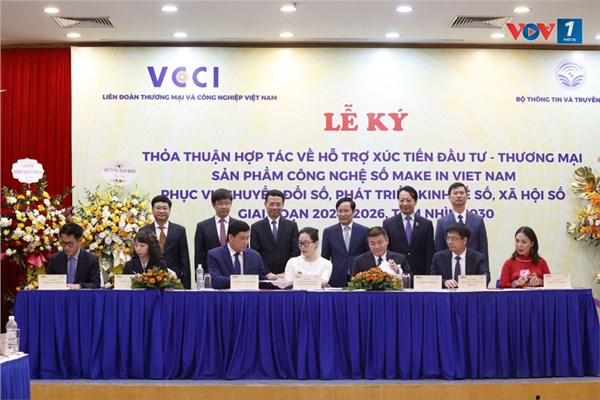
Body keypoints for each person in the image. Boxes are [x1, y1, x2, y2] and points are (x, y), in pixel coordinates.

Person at [139, 195, 191, 289]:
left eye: (165, 208)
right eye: (158, 208)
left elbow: (184, 260)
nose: (161, 211)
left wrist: (186, 287)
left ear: (169, 210)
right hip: (149, 280)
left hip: (174, 281)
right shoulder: (144, 230)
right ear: (152, 210)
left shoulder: (180, 231)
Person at [382, 185, 434, 275]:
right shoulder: (388, 223)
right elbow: (386, 251)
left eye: (408, 200)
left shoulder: (426, 224)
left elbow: (429, 253)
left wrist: (429, 276)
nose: (405, 203)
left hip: (420, 273)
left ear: (415, 202)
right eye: (401, 200)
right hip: (396, 272)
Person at [250, 189, 300, 279]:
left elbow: (296, 250)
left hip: (287, 277)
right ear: (265, 204)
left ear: (283, 205)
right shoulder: (256, 227)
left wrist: (287, 272)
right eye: (271, 204)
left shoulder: (292, 226)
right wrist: (267, 272)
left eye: (278, 204)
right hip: (264, 277)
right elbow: (255, 253)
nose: (275, 207)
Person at [208, 220, 271, 289]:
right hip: (226, 295)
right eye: (242, 239)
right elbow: (216, 280)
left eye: (247, 238)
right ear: (230, 237)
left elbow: (261, 281)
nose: (246, 242)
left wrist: (276, 282)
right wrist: (242, 281)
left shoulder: (255, 256)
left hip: (248, 295)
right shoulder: (215, 255)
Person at [434, 182, 489, 263]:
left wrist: (484, 270)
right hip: (450, 266)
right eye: (455, 193)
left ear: (467, 196)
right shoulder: (442, 222)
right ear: (449, 197)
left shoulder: (478, 220)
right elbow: (439, 250)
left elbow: (483, 248)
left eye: (462, 193)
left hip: (473, 266)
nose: (459, 196)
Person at [321, 197, 369, 287]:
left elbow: (367, 256)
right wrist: (324, 278)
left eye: (346, 211)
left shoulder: (364, 231)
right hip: (336, 277)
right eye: (340, 211)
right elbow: (325, 258)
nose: (343, 214)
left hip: (359, 276)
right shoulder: (329, 232)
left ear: (354, 211)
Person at [430, 223, 490, 289]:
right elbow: (433, 279)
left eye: (453, 239)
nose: (449, 242)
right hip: (447, 294)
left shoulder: (478, 258)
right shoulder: (439, 258)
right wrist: (444, 282)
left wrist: (468, 282)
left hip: (469, 293)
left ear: (464, 240)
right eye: (448, 238)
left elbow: (486, 277)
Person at [194, 188, 239, 271]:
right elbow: (199, 254)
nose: (224, 207)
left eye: (227, 203)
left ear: (231, 204)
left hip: (234, 272)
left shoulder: (238, 225)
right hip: (211, 271)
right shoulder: (202, 226)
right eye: (220, 203)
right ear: (213, 205)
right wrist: (200, 276)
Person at [47, 222, 100, 289]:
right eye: (63, 243)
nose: (66, 247)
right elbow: (48, 283)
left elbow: (95, 284)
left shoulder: (91, 259)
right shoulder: (55, 259)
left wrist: (80, 286)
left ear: (80, 241)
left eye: (70, 244)